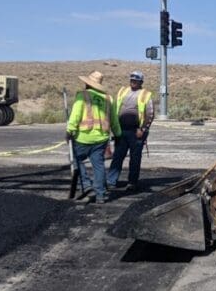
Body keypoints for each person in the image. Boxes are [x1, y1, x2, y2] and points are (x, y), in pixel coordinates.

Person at [66, 70, 121, 204]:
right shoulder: (108, 99)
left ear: (87, 84)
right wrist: (118, 134)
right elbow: (113, 119)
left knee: (76, 160)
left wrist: (69, 130)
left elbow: (76, 115)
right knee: (99, 166)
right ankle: (100, 195)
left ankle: (86, 183)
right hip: (101, 139)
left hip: (83, 138)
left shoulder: (82, 96)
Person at [108, 70, 154, 191]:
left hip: (136, 131)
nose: (133, 82)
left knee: (135, 157)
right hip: (121, 130)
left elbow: (150, 114)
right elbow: (114, 109)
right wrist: (114, 127)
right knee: (118, 156)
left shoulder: (145, 94)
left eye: (136, 81)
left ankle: (132, 182)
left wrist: (143, 129)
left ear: (141, 82)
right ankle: (111, 181)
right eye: (132, 80)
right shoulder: (122, 91)